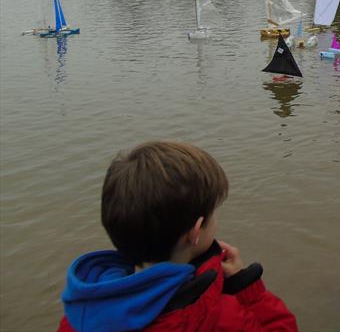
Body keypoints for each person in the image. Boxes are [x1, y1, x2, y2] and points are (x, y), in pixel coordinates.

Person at [57, 141, 298, 332]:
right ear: (196, 232)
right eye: (213, 214)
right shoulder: (220, 316)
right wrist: (244, 287)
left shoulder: (80, 314)